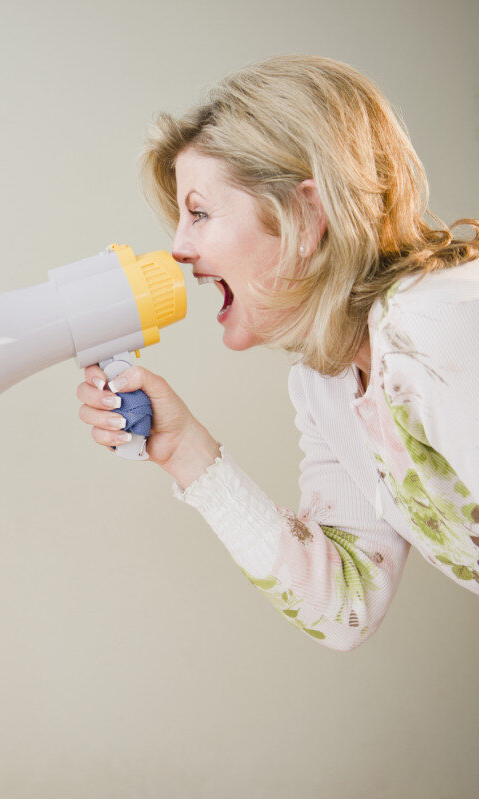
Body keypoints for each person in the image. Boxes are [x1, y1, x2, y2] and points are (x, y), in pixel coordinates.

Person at [77, 55, 479, 651]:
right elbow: (346, 602)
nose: (178, 249)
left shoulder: (438, 325)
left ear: (307, 214)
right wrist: (186, 449)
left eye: (200, 213)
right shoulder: (331, 382)